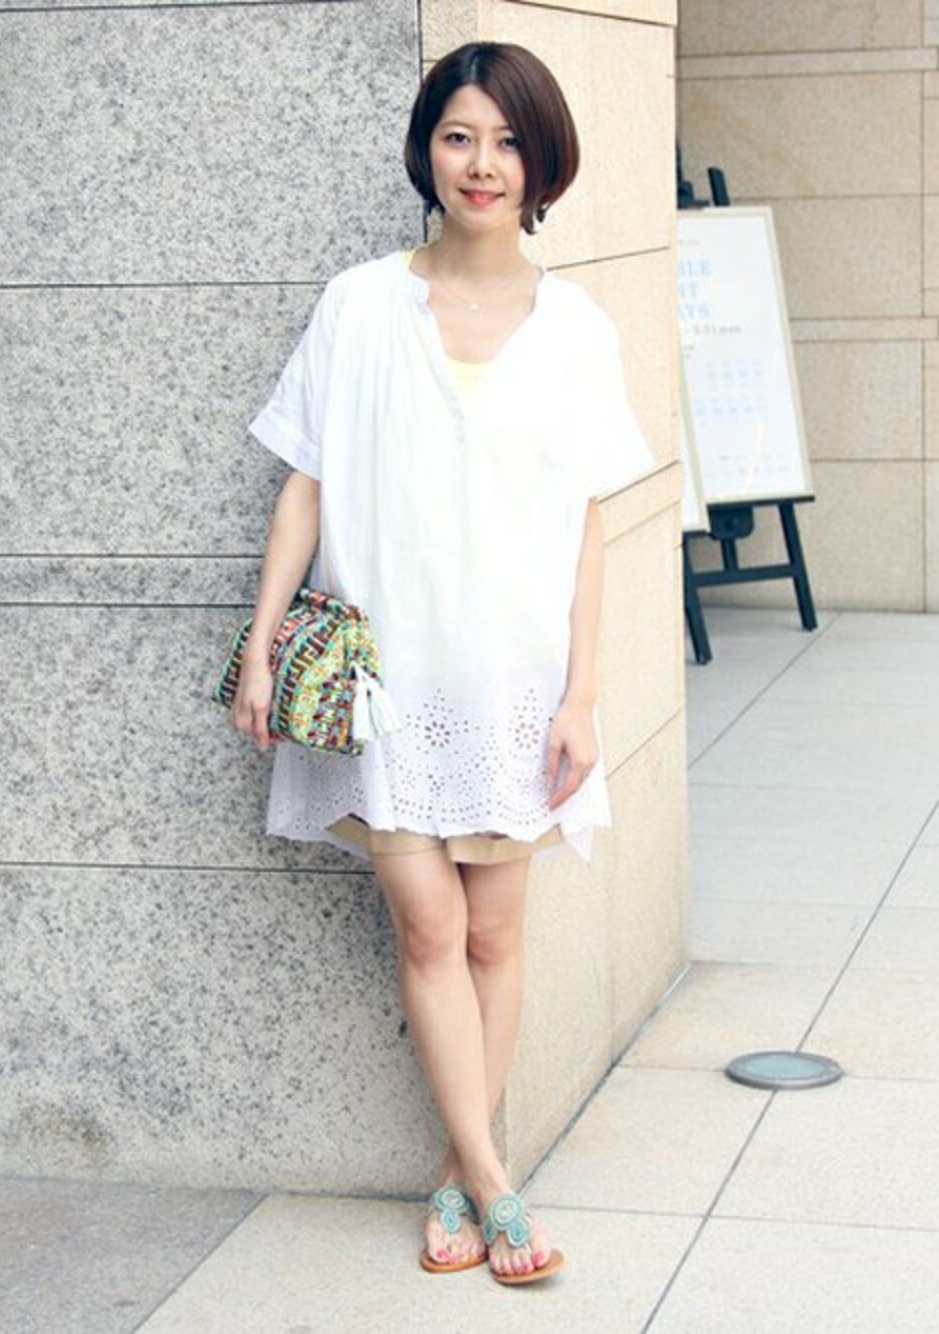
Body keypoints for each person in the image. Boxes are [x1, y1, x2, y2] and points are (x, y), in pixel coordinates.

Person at [232, 42, 654, 1285]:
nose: (483, 163)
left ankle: (457, 1179)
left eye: (508, 142)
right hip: (385, 680)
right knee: (427, 921)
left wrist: (581, 694)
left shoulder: (575, 328)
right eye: (460, 136)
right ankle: (499, 1184)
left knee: (493, 932)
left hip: (513, 679)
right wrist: (260, 643)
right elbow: (305, 482)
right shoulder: (361, 304)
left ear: (543, 164)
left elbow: (585, 522)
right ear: (427, 148)